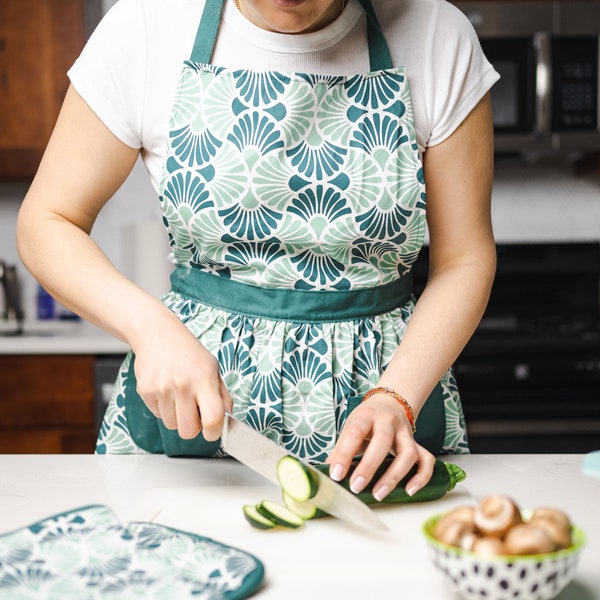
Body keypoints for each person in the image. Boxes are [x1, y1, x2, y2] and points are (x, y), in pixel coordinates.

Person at [17, 0, 498, 501]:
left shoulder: (438, 34)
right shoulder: (145, 26)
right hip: (194, 424)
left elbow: (465, 259)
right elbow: (47, 222)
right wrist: (149, 328)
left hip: (388, 416)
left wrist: (396, 398)